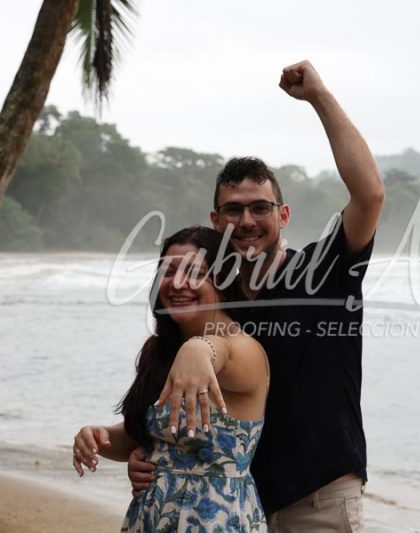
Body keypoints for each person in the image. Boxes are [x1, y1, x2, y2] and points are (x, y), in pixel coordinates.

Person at [129, 60, 384, 532]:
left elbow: (369, 195)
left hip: (318, 494)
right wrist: (145, 455)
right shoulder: (215, 297)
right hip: (236, 499)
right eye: (233, 209)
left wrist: (319, 98)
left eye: (260, 208)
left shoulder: (323, 271)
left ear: (283, 214)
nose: (246, 221)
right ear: (215, 219)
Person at [72, 226, 271, 531]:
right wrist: (99, 436)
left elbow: (220, 351)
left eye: (195, 272)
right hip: (152, 514)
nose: (178, 283)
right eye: (169, 271)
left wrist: (198, 347)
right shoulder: (157, 350)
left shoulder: (245, 350)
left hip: (217, 519)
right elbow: (148, 438)